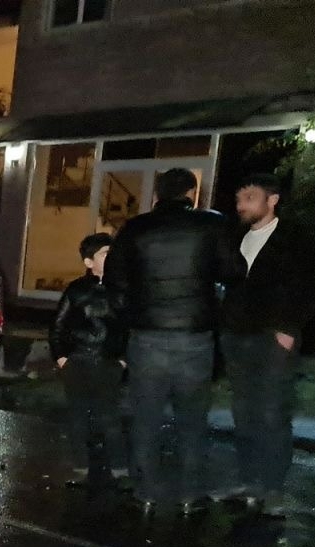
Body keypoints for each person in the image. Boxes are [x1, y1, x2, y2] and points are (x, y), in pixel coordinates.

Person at [105, 167, 246, 513]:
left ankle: (146, 491)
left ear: (157, 195)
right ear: (191, 194)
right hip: (194, 337)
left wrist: (133, 316)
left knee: (146, 418)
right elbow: (235, 271)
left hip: (147, 338)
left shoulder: (135, 228)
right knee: (192, 420)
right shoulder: (211, 224)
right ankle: (189, 494)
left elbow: (114, 283)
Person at [218, 173, 315, 516]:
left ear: (271, 200)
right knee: (243, 410)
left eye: (249, 197)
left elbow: (310, 285)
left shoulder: (293, 238)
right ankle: (249, 481)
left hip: (272, 337)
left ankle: (272, 486)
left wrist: (288, 328)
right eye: (238, 199)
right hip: (236, 335)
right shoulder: (236, 237)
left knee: (272, 411)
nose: (241, 205)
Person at [50, 233, 128, 487]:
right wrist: (62, 357)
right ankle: (81, 467)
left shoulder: (123, 289)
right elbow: (58, 325)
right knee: (77, 417)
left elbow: (130, 326)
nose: (111, 258)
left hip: (108, 362)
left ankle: (120, 469)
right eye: (105, 253)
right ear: (89, 261)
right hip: (78, 361)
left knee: (110, 417)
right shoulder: (76, 290)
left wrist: (123, 360)